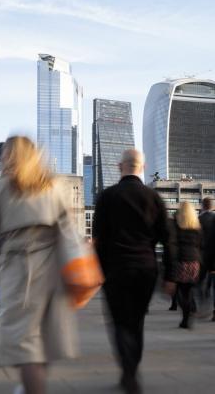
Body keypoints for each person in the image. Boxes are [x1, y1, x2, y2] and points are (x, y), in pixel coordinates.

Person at [0, 136, 78, 394]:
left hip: (18, 270)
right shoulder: (56, 186)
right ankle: (30, 385)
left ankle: (31, 387)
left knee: (26, 343)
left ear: (10, 157)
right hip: (55, 271)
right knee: (45, 338)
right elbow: (69, 230)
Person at [93, 149, 173, 394]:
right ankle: (131, 370)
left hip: (115, 269)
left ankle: (128, 372)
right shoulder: (153, 197)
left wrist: (99, 271)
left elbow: (98, 239)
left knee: (119, 323)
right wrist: (170, 276)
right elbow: (169, 240)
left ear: (120, 166)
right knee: (136, 322)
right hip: (145, 269)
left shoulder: (107, 197)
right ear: (143, 166)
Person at [171, 201, 202, 329]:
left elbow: (172, 243)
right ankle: (191, 310)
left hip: (181, 261)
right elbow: (201, 244)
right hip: (194, 261)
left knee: (180, 291)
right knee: (189, 290)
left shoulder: (176, 225)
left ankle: (186, 317)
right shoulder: (197, 226)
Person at [198, 197, 215, 321]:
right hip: (214, 256)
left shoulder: (198, 220)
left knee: (198, 282)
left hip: (201, 256)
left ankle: (202, 303)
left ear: (203, 206)